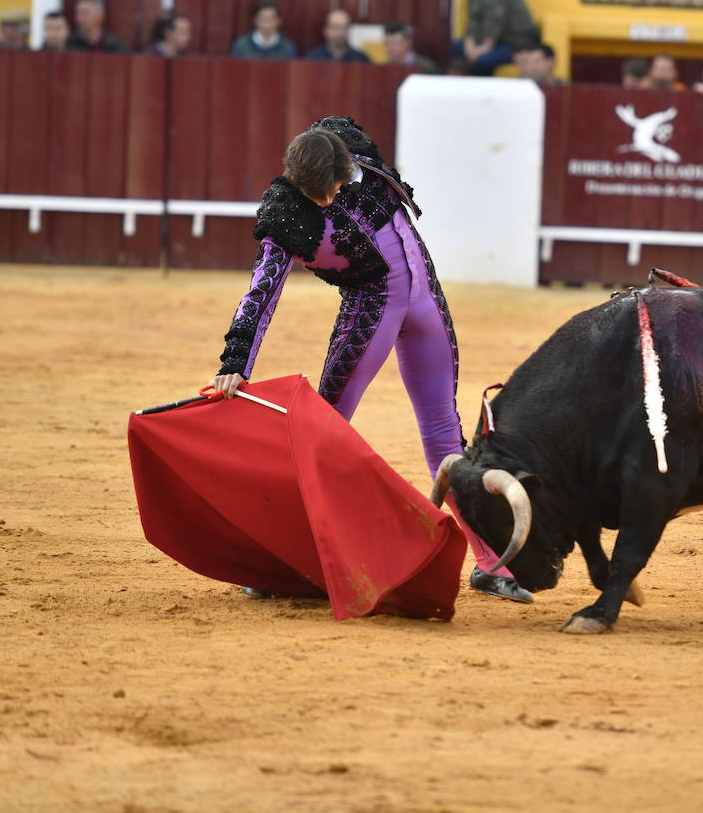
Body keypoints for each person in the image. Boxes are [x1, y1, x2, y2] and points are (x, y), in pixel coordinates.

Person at [211, 117, 533, 604]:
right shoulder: (285, 211)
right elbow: (263, 290)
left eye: (330, 189)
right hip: (370, 309)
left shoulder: (354, 153)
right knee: (325, 430)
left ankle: (491, 563)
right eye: (316, 192)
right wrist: (237, 359)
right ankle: (284, 561)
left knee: (445, 432)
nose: (323, 201)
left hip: (426, 299)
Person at [452, 0, 539, 76]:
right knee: (453, 47)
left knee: (482, 61)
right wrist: (469, 44)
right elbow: (474, 19)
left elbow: (494, 20)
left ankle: (483, 91)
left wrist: (483, 49)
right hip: (495, 41)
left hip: (516, 43)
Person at [229, 0, 297, 60]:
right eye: (263, 19)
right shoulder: (242, 45)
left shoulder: (287, 48)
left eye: (271, 19)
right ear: (255, 20)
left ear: (279, 21)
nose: (267, 24)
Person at [305, 9, 372, 63]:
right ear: (326, 31)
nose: (339, 32)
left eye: (344, 27)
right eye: (335, 27)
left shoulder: (361, 59)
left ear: (349, 30)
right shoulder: (313, 58)